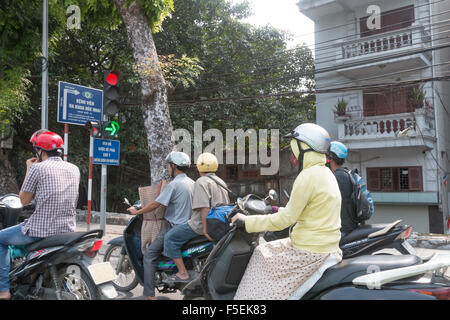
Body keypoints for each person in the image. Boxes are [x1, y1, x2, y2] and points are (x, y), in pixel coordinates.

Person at [231, 123, 342, 300]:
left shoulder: (308, 176)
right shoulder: (326, 173)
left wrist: (247, 221)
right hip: (322, 246)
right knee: (263, 251)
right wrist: (274, 209)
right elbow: (306, 210)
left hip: (309, 250)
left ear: (303, 147)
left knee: (261, 263)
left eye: (294, 148)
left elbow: (286, 219)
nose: (292, 156)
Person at [0, 130, 80, 300]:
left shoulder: (37, 168)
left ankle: (4, 291)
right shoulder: (74, 168)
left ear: (40, 151)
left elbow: (24, 200)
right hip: (67, 230)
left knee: (1, 239)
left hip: (41, 230)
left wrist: (29, 169)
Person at [127, 151, 194, 300]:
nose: (168, 169)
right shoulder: (192, 183)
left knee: (149, 255)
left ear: (173, 166)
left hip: (174, 227)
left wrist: (138, 212)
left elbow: (155, 204)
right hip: (189, 227)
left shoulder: (174, 185)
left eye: (169, 166)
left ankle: (149, 295)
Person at [162, 152, 229, 283]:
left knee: (170, 238)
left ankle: (182, 273)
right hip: (219, 224)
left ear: (199, 167)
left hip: (200, 225)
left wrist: (205, 229)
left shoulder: (201, 182)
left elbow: (204, 208)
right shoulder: (221, 182)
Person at [327, 141, 357, 237]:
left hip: (342, 228)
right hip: (350, 224)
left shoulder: (336, 177)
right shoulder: (347, 173)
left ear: (330, 156)